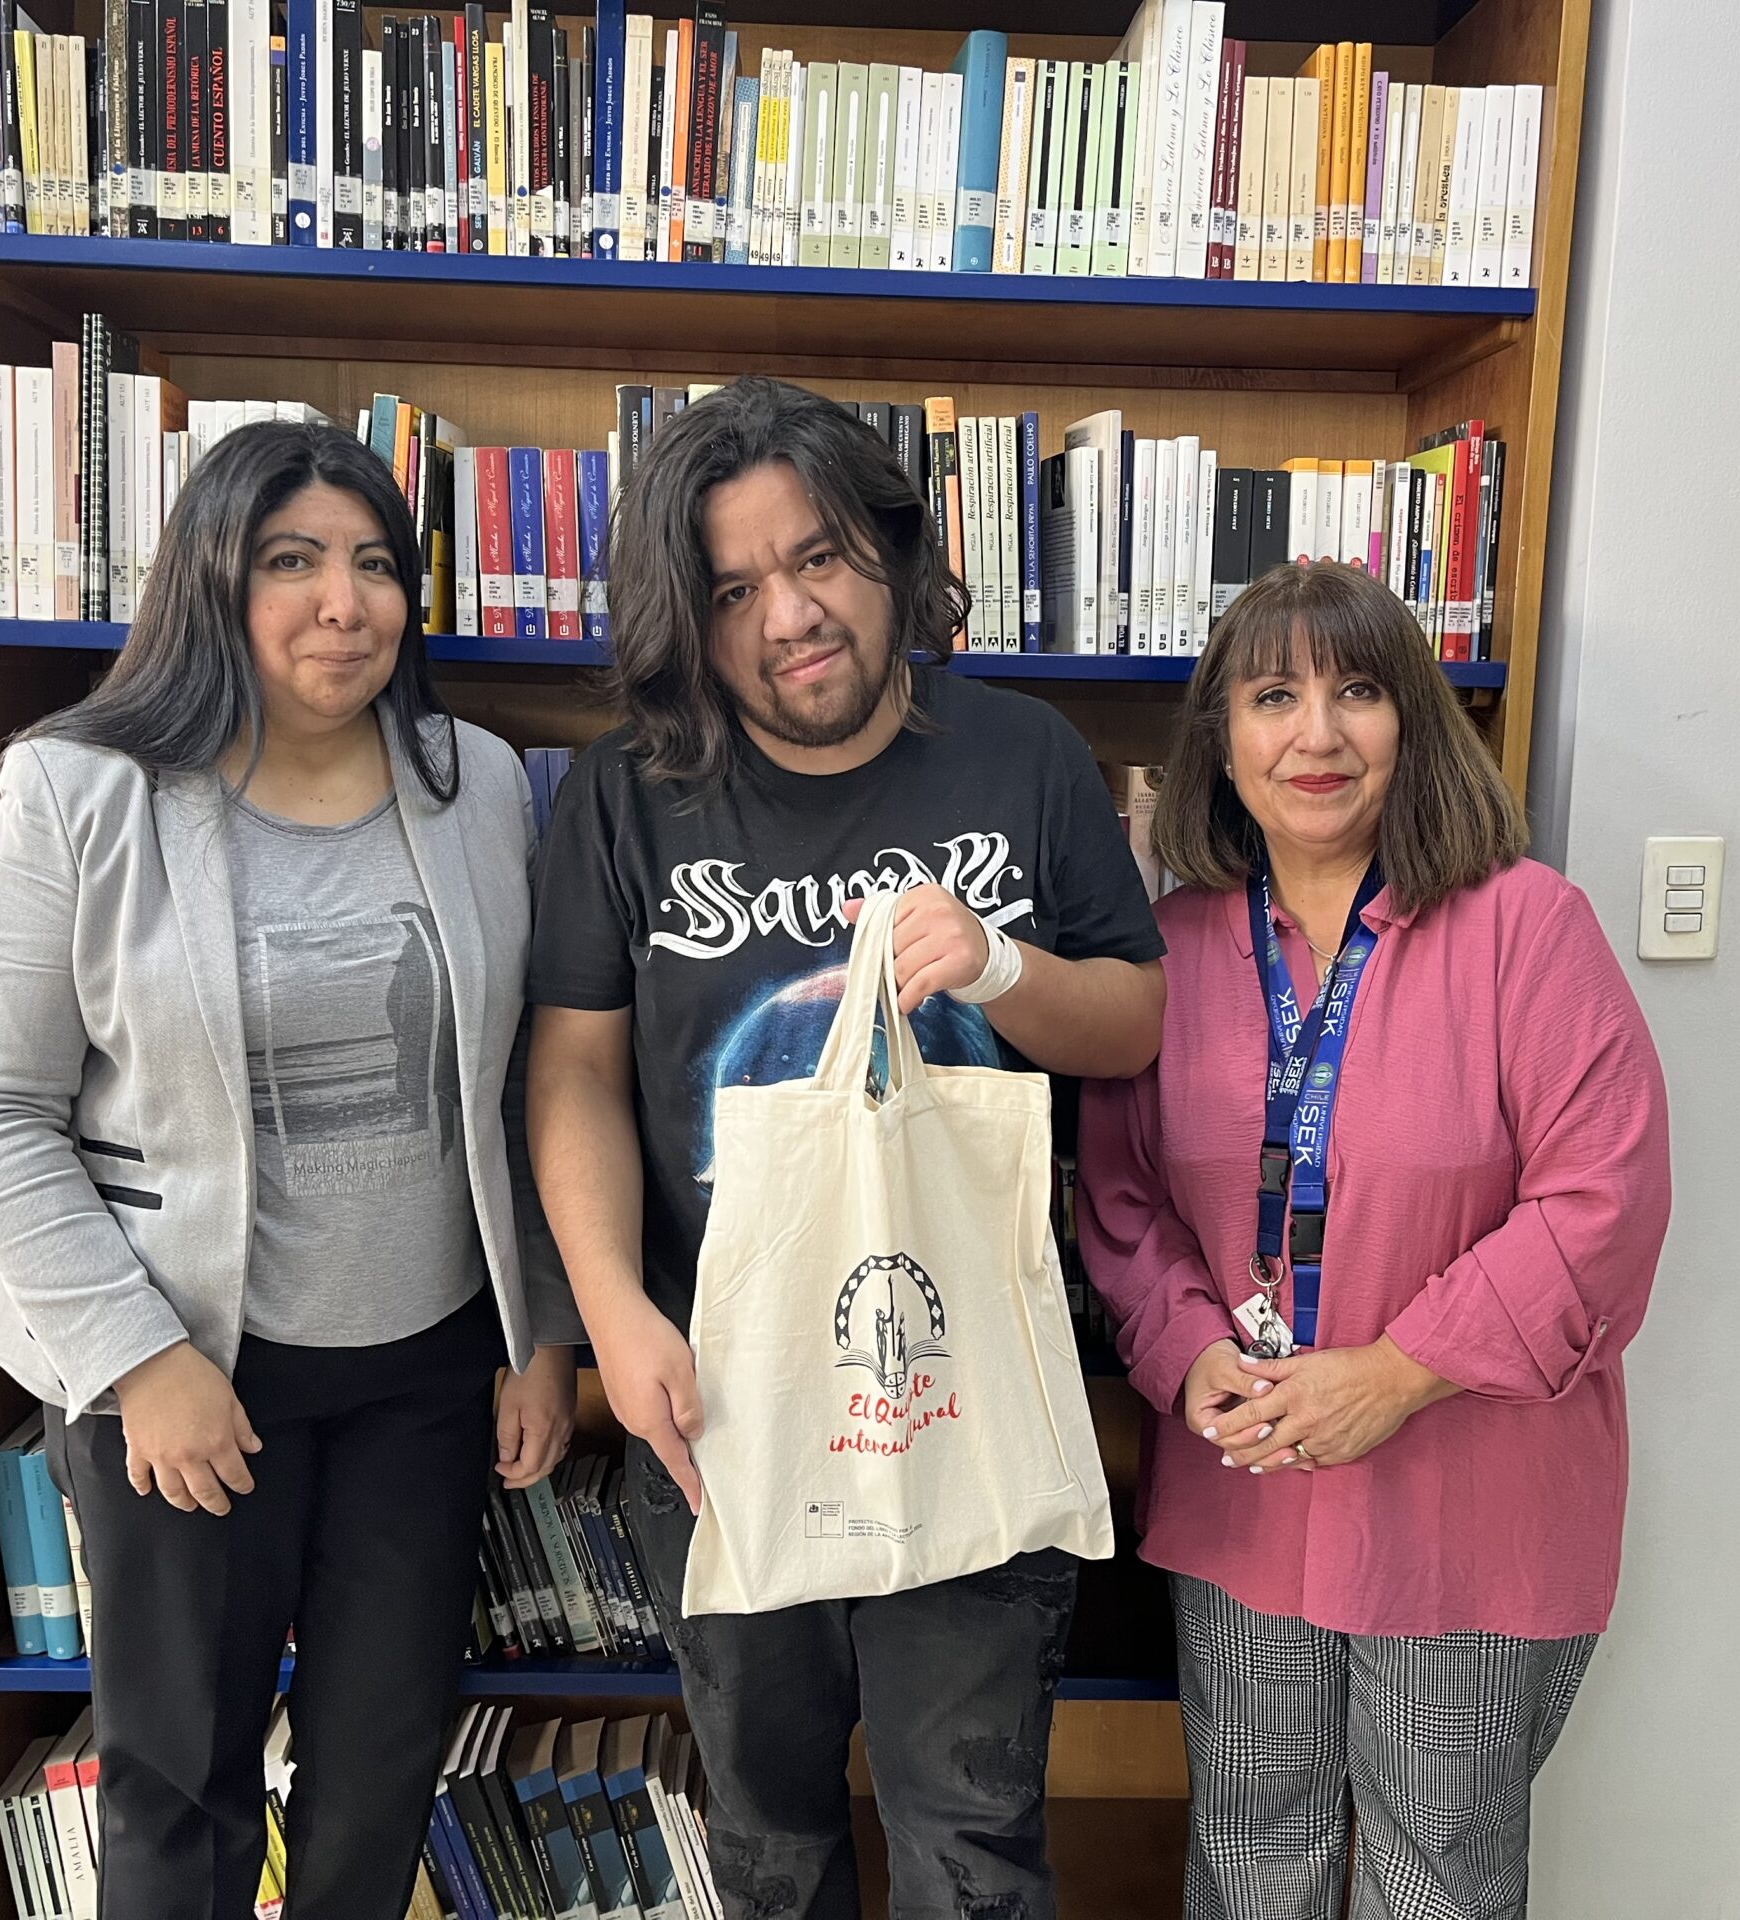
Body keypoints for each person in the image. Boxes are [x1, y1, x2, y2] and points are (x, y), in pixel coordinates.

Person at [525, 375, 1166, 1920]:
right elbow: (573, 1072)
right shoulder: (625, 792)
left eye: (816, 557)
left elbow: (1136, 1023)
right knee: (769, 1843)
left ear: (890, 550)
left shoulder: (1025, 758)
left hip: (968, 1385)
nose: (789, 615)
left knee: (974, 1843)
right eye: (732, 588)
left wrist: (1003, 968)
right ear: (691, 620)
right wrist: (611, 1312)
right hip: (722, 1404)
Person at [0, 422, 580, 1920]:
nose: (344, 602)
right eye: (294, 561)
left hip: (426, 1374)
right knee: (181, 1786)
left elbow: (519, 1084)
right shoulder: (81, 790)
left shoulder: (476, 782)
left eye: (374, 564)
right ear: (215, 579)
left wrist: (539, 1332)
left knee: (382, 1771)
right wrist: (135, 1356)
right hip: (188, 1370)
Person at [1078, 560, 1670, 1920]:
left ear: (1413, 720)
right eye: (1272, 696)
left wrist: (1400, 1372)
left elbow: (1604, 1197)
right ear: (1222, 739)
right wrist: (1185, 1350)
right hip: (1244, 1493)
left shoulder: (1528, 928)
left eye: (1357, 691)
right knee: (1251, 1863)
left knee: (1438, 1879)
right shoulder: (1167, 952)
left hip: (1466, 1506)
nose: (1318, 734)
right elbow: (1119, 1196)